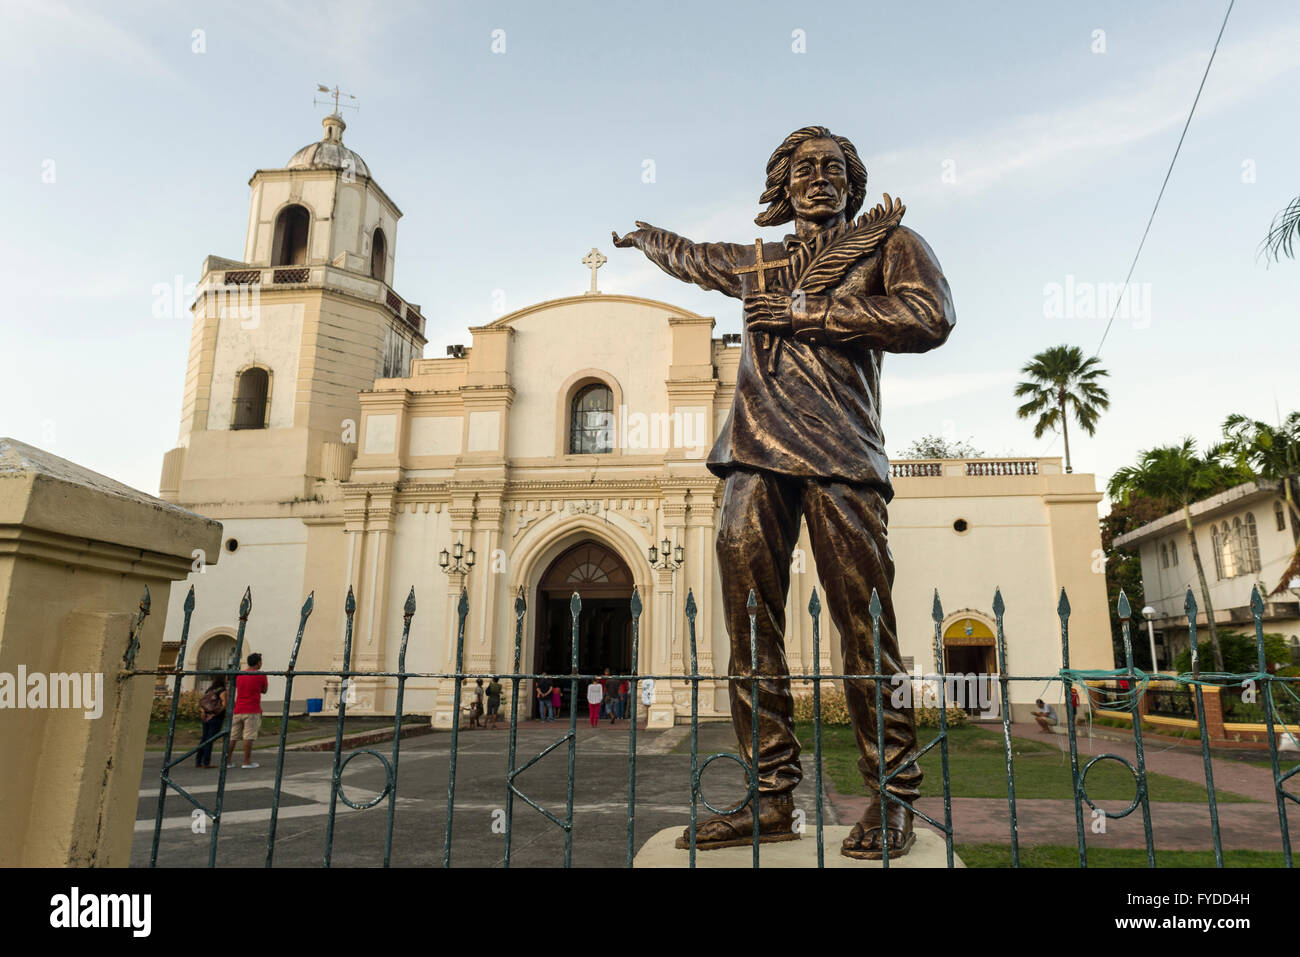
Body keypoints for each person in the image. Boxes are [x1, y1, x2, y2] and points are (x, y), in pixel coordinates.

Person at [614, 125, 954, 859]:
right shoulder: (758, 260)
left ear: (852, 183)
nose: (820, 177)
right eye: (805, 168)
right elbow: (698, 259)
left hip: (842, 454)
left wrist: (811, 314)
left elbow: (931, 318)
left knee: (865, 627)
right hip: (754, 454)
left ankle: (892, 794)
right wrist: (647, 239)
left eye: (834, 167)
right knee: (749, 628)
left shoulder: (888, 241)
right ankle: (771, 796)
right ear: (783, 184)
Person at [227, 653, 268, 769]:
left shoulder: (239, 675)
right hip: (252, 709)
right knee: (248, 736)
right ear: (258, 663)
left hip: (238, 708)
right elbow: (264, 690)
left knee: (233, 736)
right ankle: (246, 761)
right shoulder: (261, 675)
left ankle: (227, 760)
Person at [196, 676, 226, 769]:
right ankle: (206, 762)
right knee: (210, 740)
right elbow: (224, 704)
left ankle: (198, 761)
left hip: (206, 716)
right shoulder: (222, 690)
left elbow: (204, 702)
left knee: (204, 738)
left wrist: (204, 712)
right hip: (215, 717)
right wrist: (216, 713)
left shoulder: (210, 690)